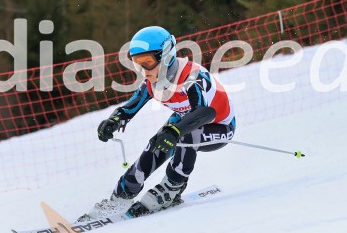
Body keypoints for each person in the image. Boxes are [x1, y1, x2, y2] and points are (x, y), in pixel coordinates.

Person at [77, 25, 236, 221]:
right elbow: (131, 107)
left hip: (220, 127)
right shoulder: (152, 82)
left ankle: (172, 187)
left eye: (148, 62)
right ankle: (122, 194)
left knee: (185, 135)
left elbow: (204, 112)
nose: (143, 71)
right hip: (183, 120)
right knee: (157, 144)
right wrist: (114, 120)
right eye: (137, 64)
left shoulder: (191, 77)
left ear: (166, 55)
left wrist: (175, 131)